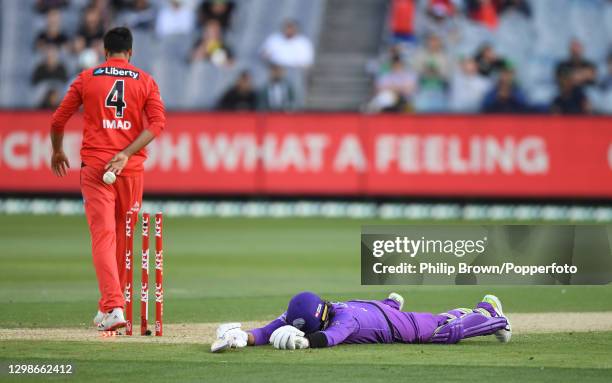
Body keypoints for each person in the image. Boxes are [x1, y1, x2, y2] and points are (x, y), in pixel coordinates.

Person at [49, 27, 165, 331]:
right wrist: (126, 153)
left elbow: (58, 119)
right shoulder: (145, 80)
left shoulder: (87, 77)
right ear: (130, 52)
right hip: (131, 169)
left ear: (105, 52)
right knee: (124, 239)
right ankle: (111, 306)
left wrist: (58, 150)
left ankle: (112, 306)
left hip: (96, 167)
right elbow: (157, 124)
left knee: (104, 236)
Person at [211, 291, 511, 352]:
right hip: (377, 310)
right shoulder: (309, 309)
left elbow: (332, 338)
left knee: (443, 333)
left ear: (322, 317)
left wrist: (304, 342)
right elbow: (267, 330)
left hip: (396, 327)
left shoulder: (344, 319)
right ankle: (392, 303)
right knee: (435, 319)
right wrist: (244, 337)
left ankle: (489, 312)